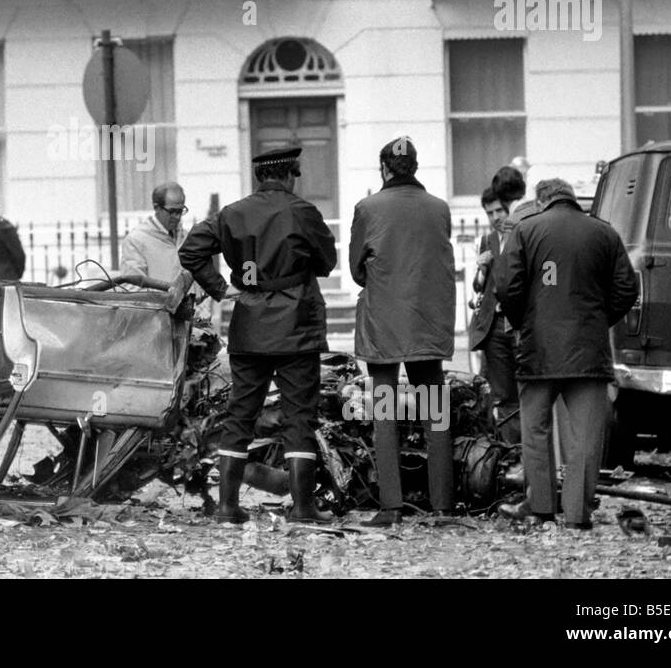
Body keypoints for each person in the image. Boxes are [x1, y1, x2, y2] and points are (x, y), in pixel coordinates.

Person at [179, 147, 337, 524]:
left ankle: (227, 506)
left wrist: (221, 288)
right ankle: (302, 508)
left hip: (250, 324)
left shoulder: (232, 213)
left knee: (240, 415)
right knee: (299, 417)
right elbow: (327, 262)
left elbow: (191, 252)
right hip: (296, 326)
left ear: (259, 177)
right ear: (289, 175)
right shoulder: (303, 212)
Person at [494, 178, 639, 530]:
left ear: (543, 201)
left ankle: (540, 507)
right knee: (585, 437)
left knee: (536, 429)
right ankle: (577, 515)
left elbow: (506, 286)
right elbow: (626, 288)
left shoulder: (526, 230)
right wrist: (600, 318)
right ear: (572, 200)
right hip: (587, 352)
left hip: (538, 350)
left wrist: (523, 321)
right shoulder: (604, 233)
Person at [349, 138, 456, 526]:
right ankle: (442, 506)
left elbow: (357, 270)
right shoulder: (439, 209)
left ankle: (391, 507)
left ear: (385, 168)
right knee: (435, 414)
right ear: (414, 165)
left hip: (385, 328)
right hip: (427, 325)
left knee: (384, 415)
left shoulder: (368, 208)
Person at [468, 186, 520, 444]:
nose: (495, 217)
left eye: (499, 210)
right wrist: (482, 266)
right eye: (490, 213)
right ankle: (509, 451)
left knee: (525, 391)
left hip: (519, 323)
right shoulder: (488, 240)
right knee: (501, 392)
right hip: (495, 324)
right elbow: (479, 286)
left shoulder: (521, 234)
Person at [119, 182, 188, 284]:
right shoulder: (136, 240)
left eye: (180, 211)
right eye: (172, 211)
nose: (177, 217)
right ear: (157, 208)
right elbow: (132, 288)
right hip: (157, 300)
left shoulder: (186, 236)